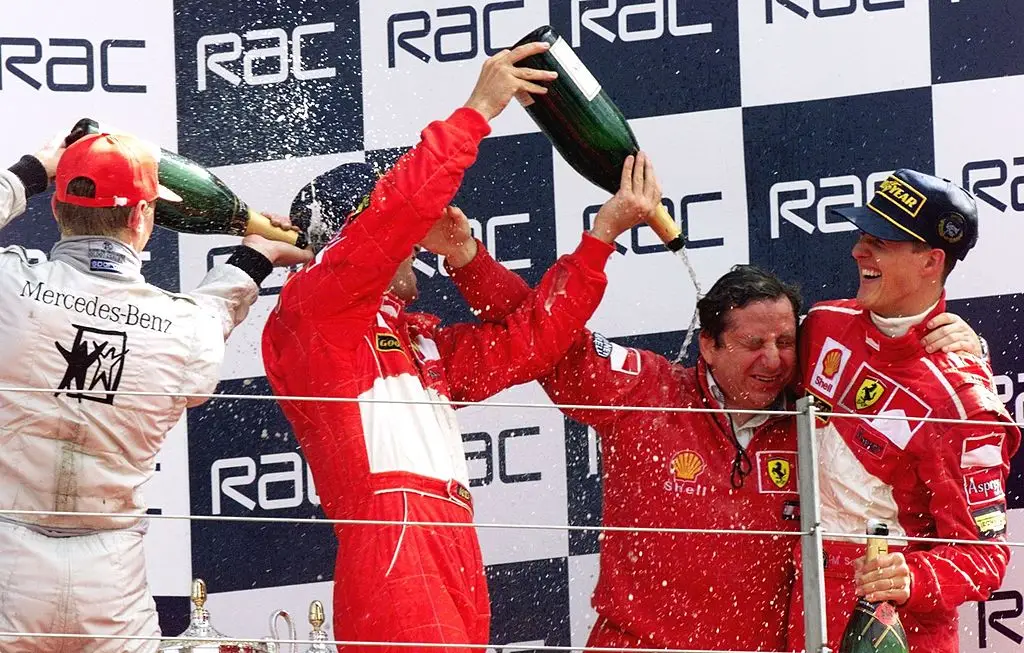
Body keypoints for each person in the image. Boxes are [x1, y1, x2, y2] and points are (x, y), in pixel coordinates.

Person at [261, 41, 664, 652]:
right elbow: (398, 207)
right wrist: (477, 110)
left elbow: (532, 343)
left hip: (451, 537)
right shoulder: (314, 311)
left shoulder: (416, 338)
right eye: (406, 225)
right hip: (394, 540)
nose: (424, 229)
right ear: (357, 232)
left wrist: (601, 236)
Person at [440, 206, 988, 650]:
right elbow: (546, 335)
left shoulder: (813, 415)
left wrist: (959, 344)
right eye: (752, 345)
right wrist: (467, 257)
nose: (773, 361)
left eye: (784, 342)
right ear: (708, 346)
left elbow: (894, 350)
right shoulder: (646, 392)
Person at [0, 132, 310, 652]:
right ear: (143, 218)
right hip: (111, 579)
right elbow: (214, 313)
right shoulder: (182, 330)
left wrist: (30, 171)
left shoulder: (11, 286)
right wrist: (253, 258)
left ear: (56, 209)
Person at [788, 169, 1020, 652]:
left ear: (931, 261)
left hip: (896, 628)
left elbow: (984, 557)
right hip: (806, 603)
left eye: (882, 241)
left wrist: (909, 579)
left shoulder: (961, 401)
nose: (858, 251)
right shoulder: (824, 325)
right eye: (862, 236)